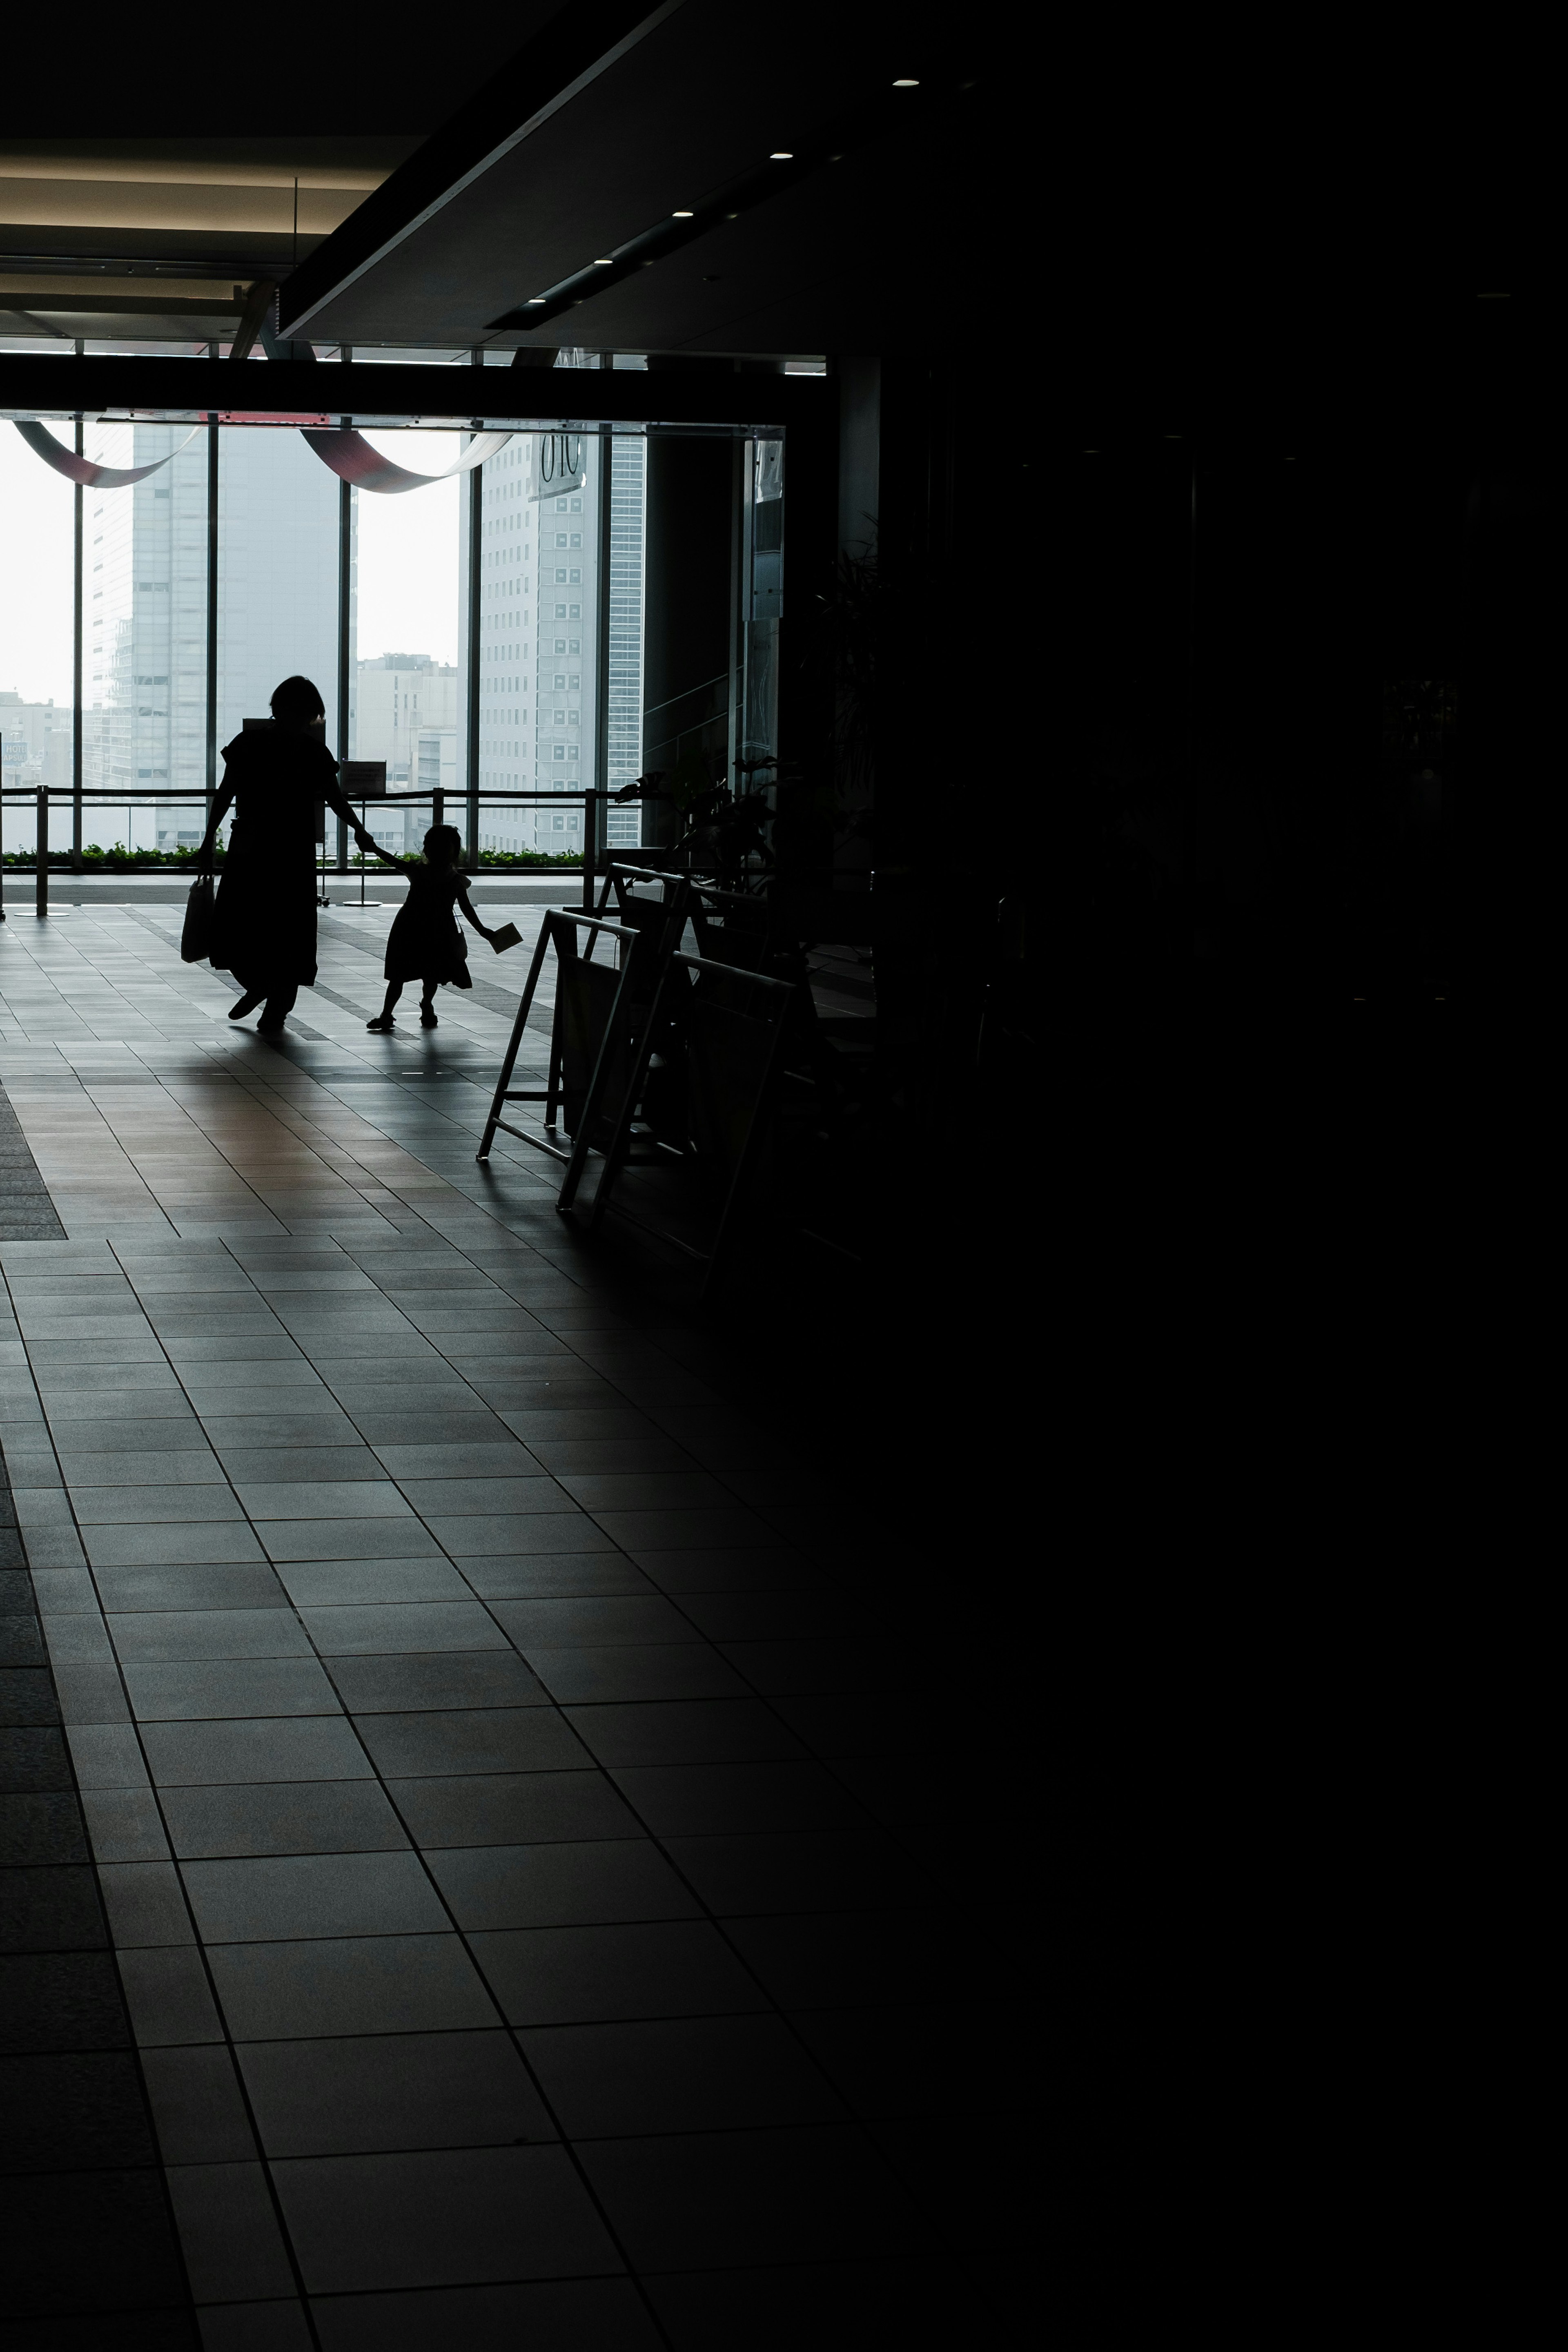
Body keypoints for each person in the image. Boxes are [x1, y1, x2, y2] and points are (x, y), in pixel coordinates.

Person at [194, 676, 383, 1033]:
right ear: (312, 713)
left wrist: (209, 838)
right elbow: (336, 799)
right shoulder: (313, 753)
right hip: (293, 850)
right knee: (291, 929)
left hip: (250, 844)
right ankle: (275, 1008)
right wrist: (358, 828)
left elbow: (226, 792)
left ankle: (259, 985)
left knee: (239, 922)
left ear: (276, 707)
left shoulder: (248, 743)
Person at [366, 825, 499, 1030]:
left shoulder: (418, 871)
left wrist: (373, 847)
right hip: (439, 931)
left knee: (399, 975)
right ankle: (426, 1006)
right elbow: (466, 909)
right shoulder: (455, 880)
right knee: (430, 974)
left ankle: (387, 1014)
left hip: (409, 927)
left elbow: (391, 861)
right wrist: (483, 931)